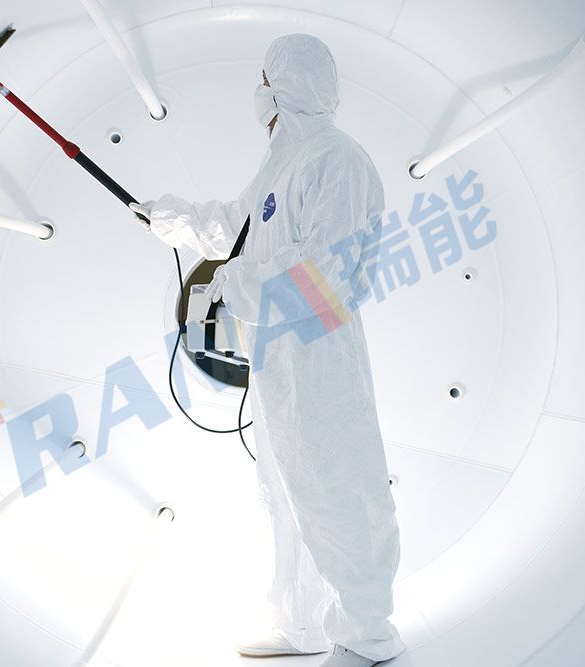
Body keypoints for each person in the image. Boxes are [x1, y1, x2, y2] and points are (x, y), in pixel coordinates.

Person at [130, 33, 406, 667]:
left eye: (263, 78)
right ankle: (302, 624)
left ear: (286, 82)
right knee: (285, 491)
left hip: (320, 355)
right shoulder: (279, 166)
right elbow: (237, 228)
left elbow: (329, 276)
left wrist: (235, 284)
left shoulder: (336, 158)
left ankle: (369, 634)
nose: (257, 90)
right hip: (275, 359)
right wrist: (174, 220)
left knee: (338, 486)